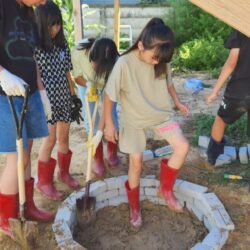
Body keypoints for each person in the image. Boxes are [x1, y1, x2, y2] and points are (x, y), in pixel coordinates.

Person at [104, 17, 189, 229]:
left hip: (159, 114)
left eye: (160, 60)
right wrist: (109, 124)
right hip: (133, 119)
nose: (156, 63)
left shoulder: (161, 58)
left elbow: (169, 84)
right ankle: (134, 208)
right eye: (153, 58)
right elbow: (109, 96)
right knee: (136, 163)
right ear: (141, 45)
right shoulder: (123, 63)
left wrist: (177, 102)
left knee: (182, 147)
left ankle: (165, 190)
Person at [0, 0, 55, 237]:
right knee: (15, 157)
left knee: (27, 150)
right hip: (5, 94)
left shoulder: (30, 12)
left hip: (29, 91)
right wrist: (2, 75)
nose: (44, 2)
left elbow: (32, 57)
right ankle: (6, 217)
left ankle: (27, 205)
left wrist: (42, 91)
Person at [34, 1, 81, 200]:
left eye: (58, 23)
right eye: (51, 24)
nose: (56, 28)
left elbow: (67, 73)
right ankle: (43, 182)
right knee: (50, 139)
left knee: (63, 138)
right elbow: (37, 79)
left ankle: (63, 173)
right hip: (47, 102)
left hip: (63, 98)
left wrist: (73, 97)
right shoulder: (35, 47)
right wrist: (44, 102)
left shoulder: (62, 45)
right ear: (41, 24)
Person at [71, 37, 120, 177]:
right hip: (87, 84)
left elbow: (107, 106)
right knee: (90, 119)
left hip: (107, 86)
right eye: (93, 63)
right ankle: (97, 159)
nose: (94, 67)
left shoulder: (116, 64)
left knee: (111, 117)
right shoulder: (78, 52)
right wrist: (88, 85)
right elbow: (77, 77)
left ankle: (112, 153)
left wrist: (101, 133)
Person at [206, 30, 250, 166]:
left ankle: (212, 160)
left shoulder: (241, 30)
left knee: (220, 120)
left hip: (240, 89)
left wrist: (214, 91)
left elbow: (231, 63)